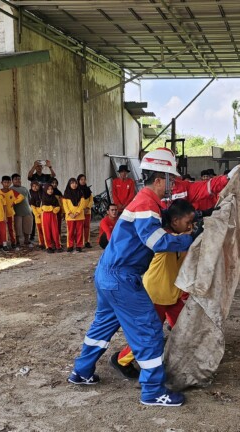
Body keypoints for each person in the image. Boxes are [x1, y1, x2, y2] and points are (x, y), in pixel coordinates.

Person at [69, 147, 195, 407]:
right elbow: (155, 241)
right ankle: (152, 391)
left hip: (107, 274)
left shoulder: (144, 201)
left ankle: (81, 372)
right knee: (149, 329)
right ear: (159, 179)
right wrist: (187, 240)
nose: (173, 184)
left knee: (102, 327)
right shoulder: (147, 204)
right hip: (122, 278)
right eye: (170, 179)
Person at [111, 199, 198, 379]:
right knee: (148, 336)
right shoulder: (166, 239)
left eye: (192, 223)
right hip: (155, 295)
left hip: (172, 294)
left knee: (185, 328)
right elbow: (174, 241)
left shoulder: (181, 238)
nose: (191, 227)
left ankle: (180, 361)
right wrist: (195, 235)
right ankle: (121, 359)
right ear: (175, 222)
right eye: (187, 223)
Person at [1, 175, 24, 249]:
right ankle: (1, 243)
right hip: (0, 214)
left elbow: (21, 197)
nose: (6, 184)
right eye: (5, 182)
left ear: (10, 183)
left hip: (10, 213)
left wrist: (14, 202)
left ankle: (13, 242)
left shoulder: (12, 191)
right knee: (2, 229)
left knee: (11, 229)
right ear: (2, 183)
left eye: (8, 182)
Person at [63, 178, 86, 253]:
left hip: (79, 216)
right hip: (70, 217)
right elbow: (65, 206)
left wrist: (77, 213)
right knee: (70, 232)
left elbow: (82, 204)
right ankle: (70, 245)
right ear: (69, 184)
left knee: (79, 232)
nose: (74, 185)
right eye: (72, 183)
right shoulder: (66, 194)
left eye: (75, 183)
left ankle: (79, 246)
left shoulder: (81, 192)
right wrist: (70, 213)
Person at [11, 174, 34, 248]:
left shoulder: (24, 188)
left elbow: (29, 199)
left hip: (27, 211)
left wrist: (30, 209)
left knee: (27, 227)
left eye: (19, 179)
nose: (17, 180)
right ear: (12, 181)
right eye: (15, 179)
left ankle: (27, 240)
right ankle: (17, 241)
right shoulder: (11, 190)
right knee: (17, 228)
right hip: (17, 212)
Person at [40, 184, 63, 253]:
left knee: (55, 231)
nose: (50, 190)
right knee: (47, 231)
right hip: (45, 216)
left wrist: (52, 209)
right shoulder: (43, 198)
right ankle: (49, 247)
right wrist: (52, 208)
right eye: (48, 189)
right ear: (45, 190)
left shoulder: (54, 198)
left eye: (51, 189)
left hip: (53, 216)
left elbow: (58, 207)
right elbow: (43, 207)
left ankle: (58, 246)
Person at [78, 174, 94, 248]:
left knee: (87, 226)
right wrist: (81, 209)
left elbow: (91, 200)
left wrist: (87, 208)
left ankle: (87, 241)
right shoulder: (76, 190)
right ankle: (80, 241)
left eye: (84, 179)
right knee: (80, 227)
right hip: (79, 212)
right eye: (81, 179)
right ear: (78, 180)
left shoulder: (88, 189)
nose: (83, 181)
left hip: (87, 211)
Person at [29, 181, 46, 249]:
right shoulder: (31, 194)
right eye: (33, 186)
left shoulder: (43, 193)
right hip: (37, 215)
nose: (35, 188)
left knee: (45, 229)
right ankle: (41, 243)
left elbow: (45, 203)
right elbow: (32, 206)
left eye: (36, 186)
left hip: (44, 213)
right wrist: (36, 214)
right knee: (39, 230)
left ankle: (47, 242)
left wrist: (42, 212)